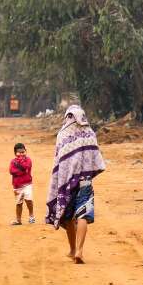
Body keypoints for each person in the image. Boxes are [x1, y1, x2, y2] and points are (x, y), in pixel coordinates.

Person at [46, 105, 106, 264]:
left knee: (67, 218)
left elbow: (59, 161)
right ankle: (79, 250)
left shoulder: (62, 135)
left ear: (68, 117)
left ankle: (73, 249)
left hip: (67, 183)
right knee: (83, 215)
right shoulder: (90, 133)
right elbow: (96, 158)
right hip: (85, 182)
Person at [10, 143, 35, 225]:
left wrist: (20, 162)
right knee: (18, 203)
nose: (21, 154)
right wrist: (22, 172)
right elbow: (11, 171)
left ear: (26, 151)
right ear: (15, 153)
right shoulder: (13, 161)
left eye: (23, 152)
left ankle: (31, 216)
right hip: (17, 186)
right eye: (19, 153)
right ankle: (18, 220)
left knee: (29, 199)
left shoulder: (28, 160)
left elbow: (26, 167)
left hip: (27, 184)